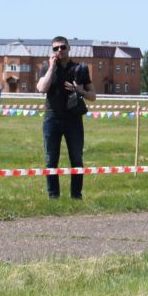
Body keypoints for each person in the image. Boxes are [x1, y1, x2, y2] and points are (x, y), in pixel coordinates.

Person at [37, 36, 94, 200]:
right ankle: (53, 196)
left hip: (73, 119)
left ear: (69, 48)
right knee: (50, 159)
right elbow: (41, 88)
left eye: (62, 47)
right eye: (55, 48)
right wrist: (51, 68)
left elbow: (93, 96)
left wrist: (80, 90)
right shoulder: (47, 66)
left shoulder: (80, 69)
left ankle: (76, 196)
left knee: (76, 158)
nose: (59, 51)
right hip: (51, 118)